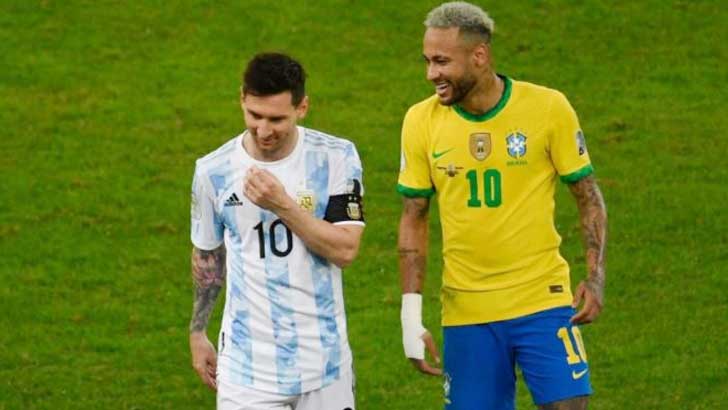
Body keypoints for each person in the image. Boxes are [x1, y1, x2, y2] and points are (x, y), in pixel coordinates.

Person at [397, 2, 607, 409]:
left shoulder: (547, 108)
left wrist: (595, 277)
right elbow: (413, 217)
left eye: (442, 61)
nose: (431, 74)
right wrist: (410, 316)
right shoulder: (420, 121)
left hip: (543, 298)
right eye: (427, 61)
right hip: (467, 310)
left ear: (479, 56)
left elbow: (588, 195)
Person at [189, 52, 364, 410]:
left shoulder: (335, 157)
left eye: (276, 119)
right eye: (254, 115)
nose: (264, 130)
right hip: (247, 370)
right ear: (241, 98)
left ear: (302, 108)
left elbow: (345, 250)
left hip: (325, 366)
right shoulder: (213, 171)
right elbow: (208, 257)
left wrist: (282, 205)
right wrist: (197, 331)